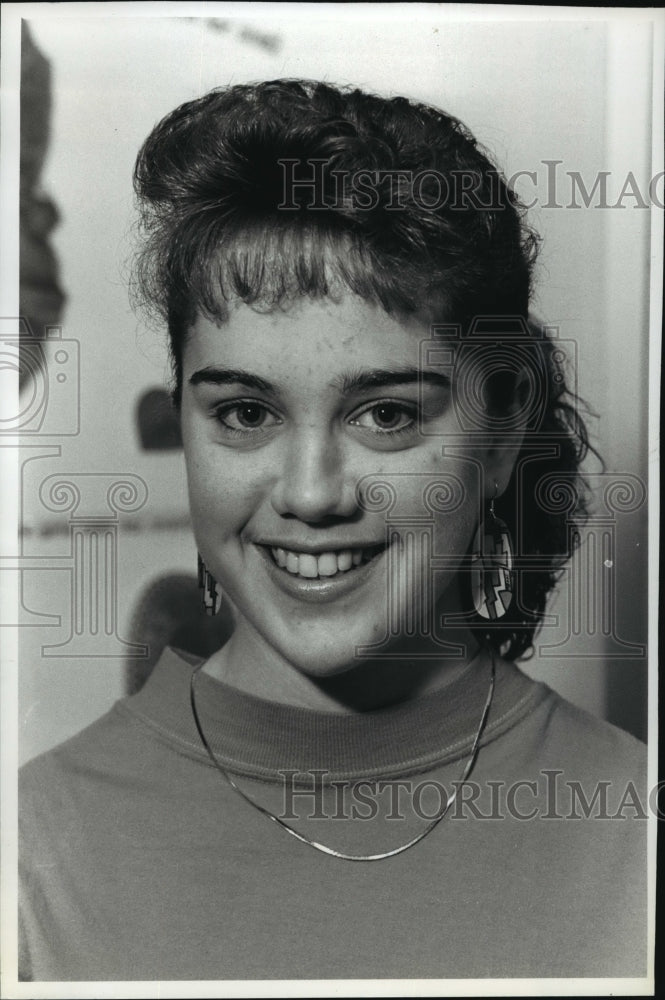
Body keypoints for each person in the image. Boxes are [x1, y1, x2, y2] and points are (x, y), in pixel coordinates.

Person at [19, 79, 647, 982]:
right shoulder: (31, 851)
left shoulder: (632, 823)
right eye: (243, 413)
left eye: (386, 415)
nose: (310, 495)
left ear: (502, 434)